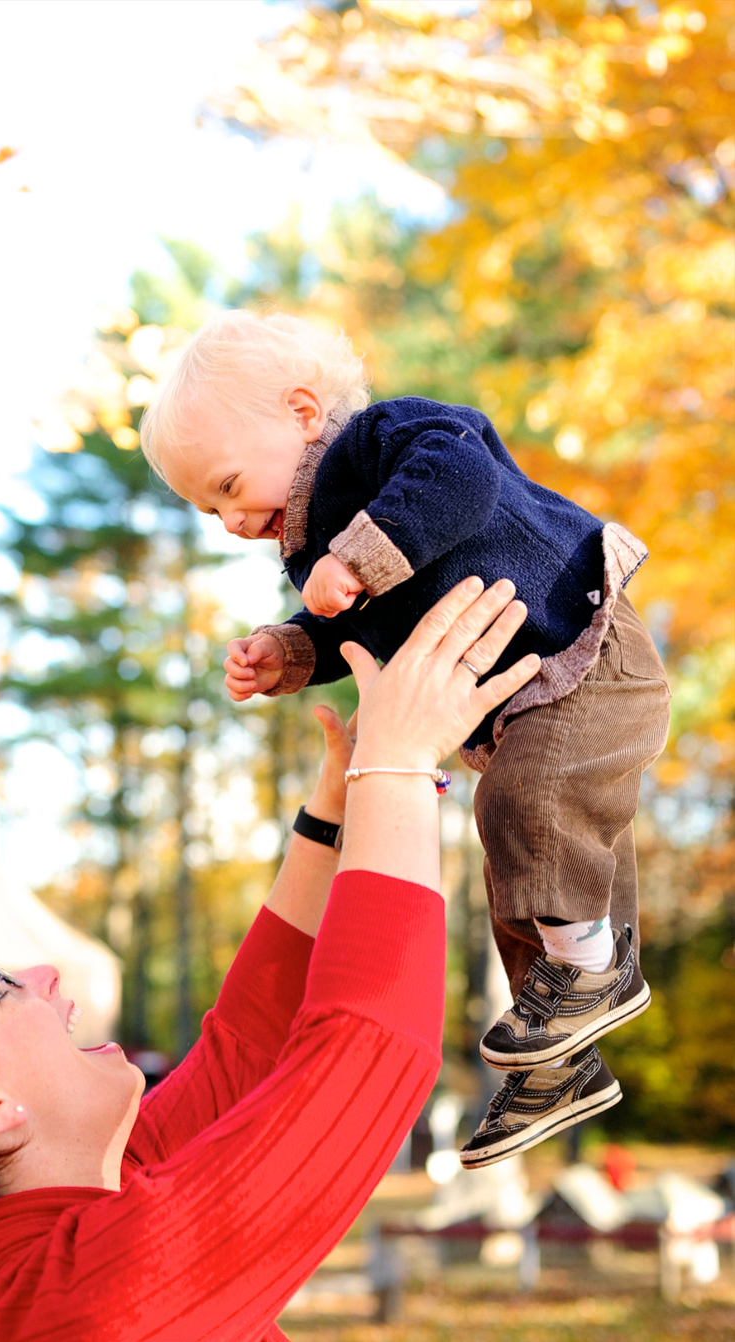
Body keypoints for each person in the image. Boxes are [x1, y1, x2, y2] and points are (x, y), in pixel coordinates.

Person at [0, 579, 540, 1342]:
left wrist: (338, 808)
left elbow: (248, 1053)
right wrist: (399, 767)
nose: (45, 976)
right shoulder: (81, 1303)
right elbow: (365, 1056)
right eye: (3, 990)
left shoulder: (63, 1203)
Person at [140, 310, 671, 1168]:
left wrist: (357, 561)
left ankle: (591, 973)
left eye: (231, 486)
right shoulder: (318, 548)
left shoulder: (387, 439)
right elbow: (366, 632)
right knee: (516, 863)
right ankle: (563, 1058)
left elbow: (462, 479)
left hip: (585, 643)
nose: (230, 521)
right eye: (209, 509)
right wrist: (289, 650)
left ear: (305, 414)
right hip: (527, 702)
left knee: (524, 805)